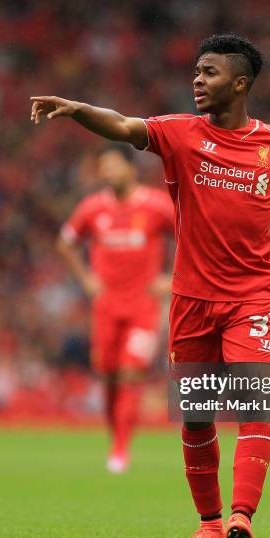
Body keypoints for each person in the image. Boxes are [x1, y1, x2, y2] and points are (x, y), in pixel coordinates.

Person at [31, 33, 270, 538]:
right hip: (191, 302)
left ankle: (241, 519)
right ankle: (208, 525)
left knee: (252, 403)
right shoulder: (180, 134)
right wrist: (76, 109)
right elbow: (122, 124)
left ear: (240, 83)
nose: (197, 81)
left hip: (252, 297)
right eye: (196, 72)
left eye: (208, 73)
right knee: (198, 414)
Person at [56, 143, 173, 473]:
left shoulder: (155, 205)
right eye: (103, 166)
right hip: (106, 305)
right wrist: (85, 279)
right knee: (108, 374)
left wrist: (173, 277)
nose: (107, 172)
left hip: (143, 306)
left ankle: (121, 450)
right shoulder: (93, 208)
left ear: (130, 168)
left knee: (131, 371)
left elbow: (191, 236)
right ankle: (116, 438)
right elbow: (64, 243)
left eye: (112, 165)